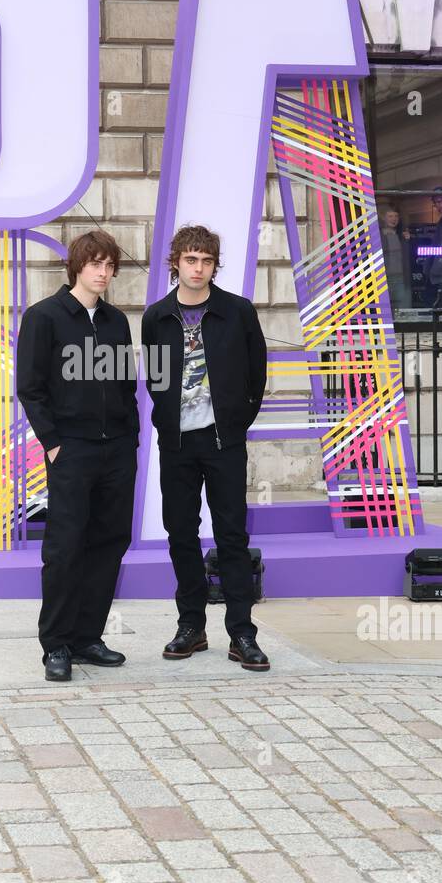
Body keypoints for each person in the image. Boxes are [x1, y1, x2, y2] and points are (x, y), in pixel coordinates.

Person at [141, 224, 269, 672]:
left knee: (232, 536)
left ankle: (242, 633)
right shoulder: (156, 317)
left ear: (216, 266)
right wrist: (167, 422)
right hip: (177, 444)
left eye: (206, 261)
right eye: (190, 259)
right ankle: (191, 626)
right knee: (181, 535)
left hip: (224, 443)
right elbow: (156, 380)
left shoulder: (237, 312)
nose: (198, 268)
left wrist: (235, 423)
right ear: (175, 262)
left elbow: (257, 376)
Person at [16, 230, 138, 682]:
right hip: (71, 450)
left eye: (110, 266)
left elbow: (126, 383)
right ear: (77, 267)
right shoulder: (44, 317)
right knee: (65, 547)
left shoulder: (115, 321)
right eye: (95, 265)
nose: (103, 274)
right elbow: (30, 387)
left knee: (109, 542)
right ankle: (57, 645)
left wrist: (132, 437)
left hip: (118, 450)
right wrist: (53, 442)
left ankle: (88, 637)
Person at [380, 205, 411, 313]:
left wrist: (409, 241)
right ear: (383, 218)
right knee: (385, 313)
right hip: (383, 280)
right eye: (390, 216)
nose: (394, 219)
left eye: (396, 216)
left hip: (401, 279)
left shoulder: (402, 236)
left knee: (404, 313)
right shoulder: (377, 236)